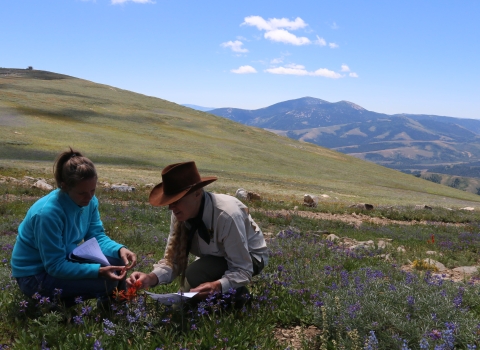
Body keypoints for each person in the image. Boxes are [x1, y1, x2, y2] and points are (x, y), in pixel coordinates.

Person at [11, 148, 137, 306]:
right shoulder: (48, 214)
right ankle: (61, 307)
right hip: (34, 276)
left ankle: (116, 308)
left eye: (93, 190)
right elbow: (54, 266)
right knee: (106, 281)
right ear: (64, 186)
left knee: (118, 262)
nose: (89, 197)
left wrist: (120, 249)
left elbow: (97, 237)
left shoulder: (89, 202)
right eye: (82, 193)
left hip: (63, 258)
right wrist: (97, 271)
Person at [127, 161, 268, 301]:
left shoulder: (226, 215)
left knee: (195, 274)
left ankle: (240, 298)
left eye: (177, 200)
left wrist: (218, 285)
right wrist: (151, 278)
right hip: (213, 257)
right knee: (181, 303)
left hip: (250, 258)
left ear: (197, 193)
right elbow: (173, 260)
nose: (171, 207)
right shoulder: (180, 214)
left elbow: (243, 269)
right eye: (170, 201)